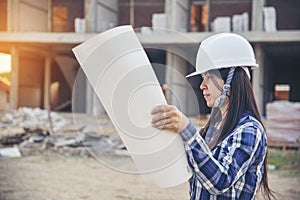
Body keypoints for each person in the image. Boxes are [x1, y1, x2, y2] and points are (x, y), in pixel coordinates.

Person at [151, 33, 275, 200]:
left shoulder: (250, 131)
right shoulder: (212, 129)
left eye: (209, 77)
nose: (202, 85)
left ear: (231, 80)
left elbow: (220, 180)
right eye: (203, 78)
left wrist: (187, 129)